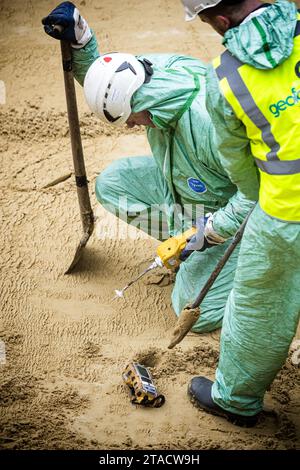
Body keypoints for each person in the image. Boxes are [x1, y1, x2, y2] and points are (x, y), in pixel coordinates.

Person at [42, 2, 258, 334]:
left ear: (140, 103)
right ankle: (193, 250)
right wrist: (81, 40)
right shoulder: (147, 72)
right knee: (113, 184)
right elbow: (107, 82)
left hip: (237, 218)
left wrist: (204, 234)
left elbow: (254, 197)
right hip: (188, 187)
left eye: (131, 119)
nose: (131, 126)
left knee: (193, 305)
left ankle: (256, 270)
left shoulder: (210, 124)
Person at [181, 0, 300, 426]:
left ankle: (234, 399)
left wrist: (259, 201)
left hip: (287, 212)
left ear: (220, 21)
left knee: (258, 306)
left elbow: (238, 161)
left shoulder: (227, 77)